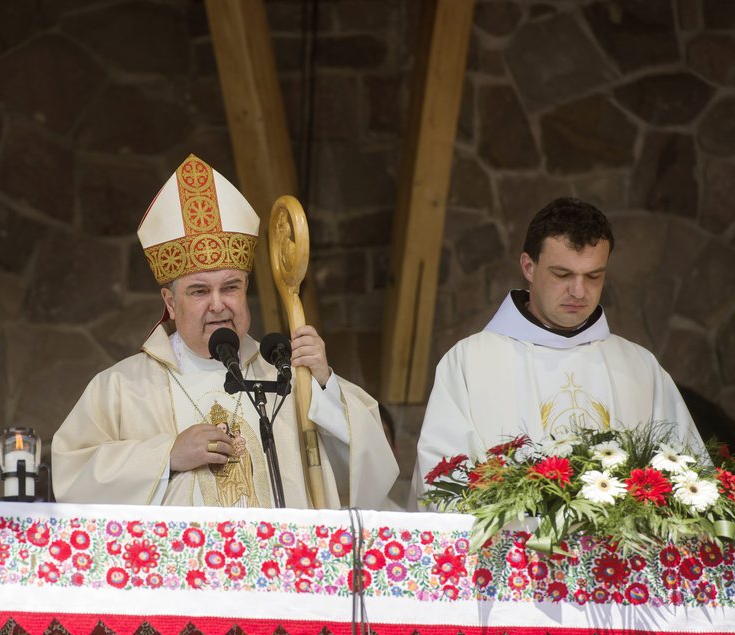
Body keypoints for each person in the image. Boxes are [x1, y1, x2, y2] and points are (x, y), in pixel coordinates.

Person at [52, 154, 397, 509]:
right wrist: (166, 456)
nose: (218, 304)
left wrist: (324, 384)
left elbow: (375, 469)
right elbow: (70, 477)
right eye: (199, 291)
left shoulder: (287, 376)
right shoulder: (123, 388)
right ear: (170, 304)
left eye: (230, 287)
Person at [410, 197, 702, 509]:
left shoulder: (639, 367)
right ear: (528, 267)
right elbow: (442, 485)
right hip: (510, 553)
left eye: (593, 276)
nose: (579, 291)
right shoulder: (470, 362)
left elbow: (691, 481)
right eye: (563, 274)